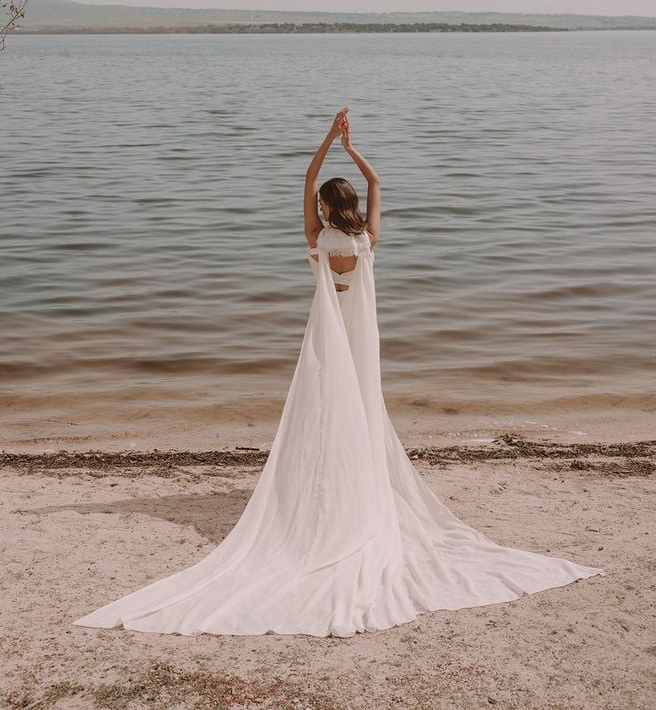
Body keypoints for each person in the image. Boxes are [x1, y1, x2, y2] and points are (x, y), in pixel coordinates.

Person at [74, 106, 605, 638]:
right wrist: (352, 149)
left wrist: (329, 137)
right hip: (362, 339)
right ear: (350, 204)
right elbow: (376, 181)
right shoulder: (367, 242)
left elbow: (306, 180)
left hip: (326, 340)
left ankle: (325, 491)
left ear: (327, 206)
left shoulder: (319, 240)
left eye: (323, 201)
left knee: (324, 410)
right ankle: (355, 485)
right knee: (361, 410)